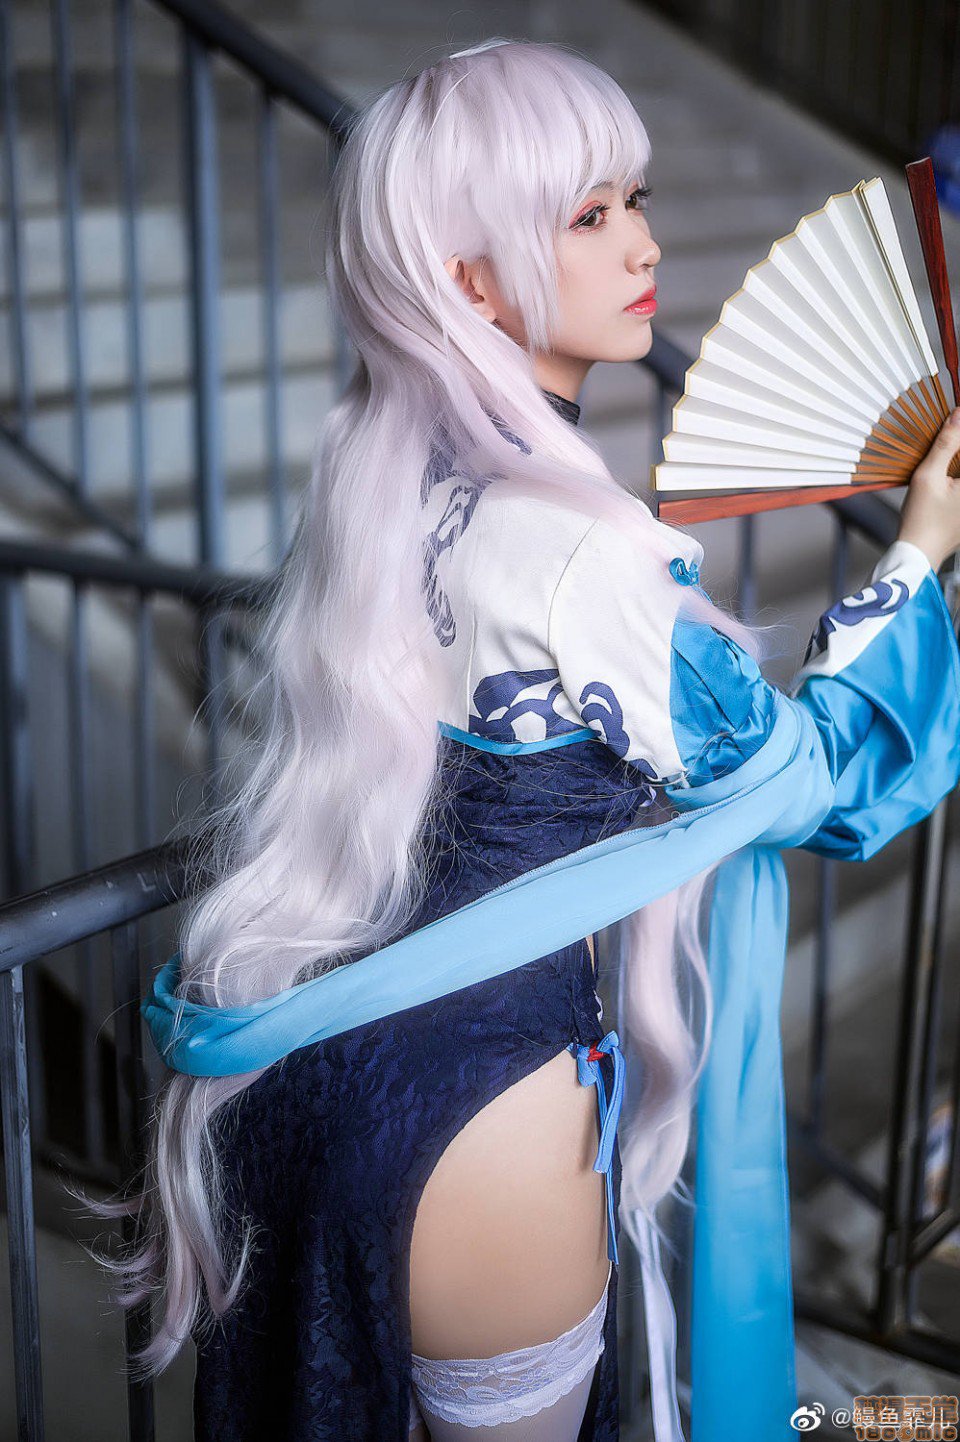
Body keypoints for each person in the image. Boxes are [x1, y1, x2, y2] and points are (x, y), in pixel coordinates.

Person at [75, 37, 960, 1442]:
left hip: (311, 1073)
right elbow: (823, 783)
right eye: (588, 215)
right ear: (473, 280)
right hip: (489, 1116)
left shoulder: (376, 487)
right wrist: (917, 555)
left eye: (636, 199)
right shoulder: (588, 554)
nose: (645, 245)